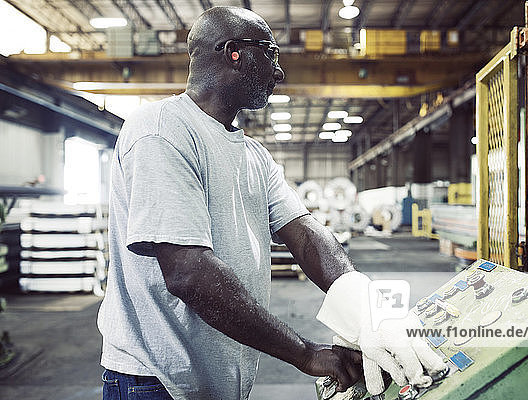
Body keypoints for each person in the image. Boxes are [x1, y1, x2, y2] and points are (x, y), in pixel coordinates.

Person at [97, 6, 445, 400]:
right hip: (155, 382)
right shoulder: (160, 130)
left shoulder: (253, 155)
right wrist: (306, 353)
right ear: (233, 52)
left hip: (220, 382)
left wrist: (368, 310)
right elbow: (188, 272)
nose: (278, 72)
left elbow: (304, 232)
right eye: (270, 53)